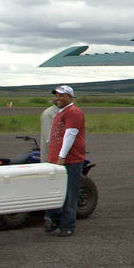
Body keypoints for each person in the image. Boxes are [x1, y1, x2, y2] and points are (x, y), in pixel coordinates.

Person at [44, 85, 86, 238]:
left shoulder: (74, 112)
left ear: (70, 96)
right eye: (56, 96)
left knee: (69, 194)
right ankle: (54, 220)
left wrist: (61, 157)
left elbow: (70, 134)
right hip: (55, 159)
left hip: (70, 160)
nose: (58, 99)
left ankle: (67, 226)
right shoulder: (60, 113)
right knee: (55, 191)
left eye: (61, 95)